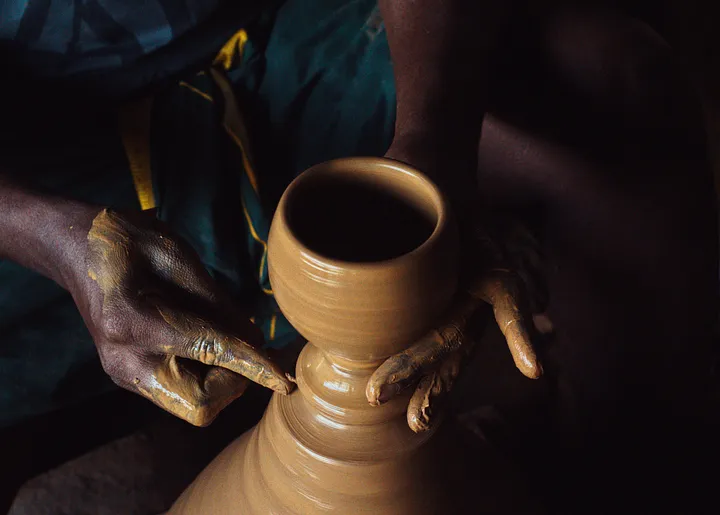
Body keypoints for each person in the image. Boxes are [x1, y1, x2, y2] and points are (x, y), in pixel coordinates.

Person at [1, 0, 716, 511]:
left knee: (613, 81)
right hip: (35, 156)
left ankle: (618, 471)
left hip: (268, 38)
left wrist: (433, 150)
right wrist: (53, 239)